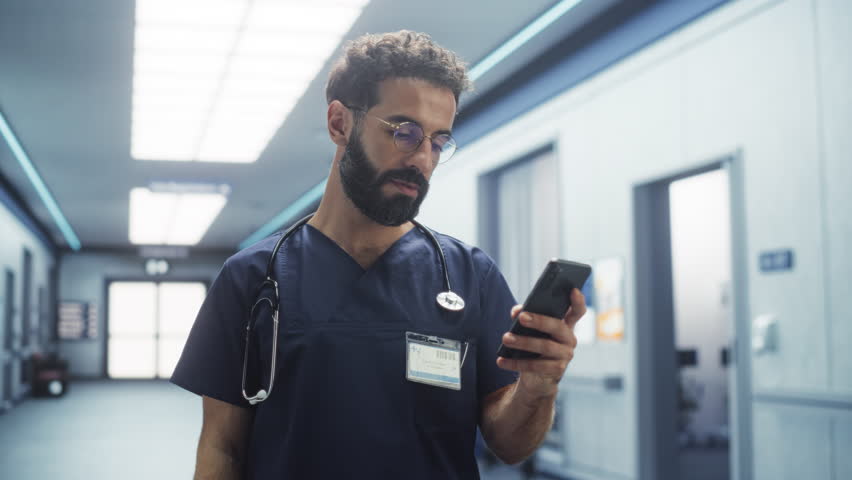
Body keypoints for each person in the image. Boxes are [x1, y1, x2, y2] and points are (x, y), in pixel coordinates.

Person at [171, 30, 586, 479]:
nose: (423, 158)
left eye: (438, 141)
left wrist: (538, 388)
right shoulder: (253, 278)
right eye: (404, 132)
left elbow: (509, 445)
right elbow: (222, 447)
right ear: (339, 124)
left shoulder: (469, 276)